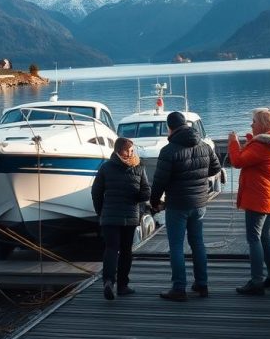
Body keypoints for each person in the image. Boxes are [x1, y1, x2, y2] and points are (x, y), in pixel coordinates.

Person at [150, 111, 222, 301]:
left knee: (176, 246)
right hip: (199, 202)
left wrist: (154, 201)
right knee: (197, 243)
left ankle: (179, 288)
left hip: (177, 204)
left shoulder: (169, 150)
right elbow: (215, 168)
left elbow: (159, 180)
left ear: (170, 128)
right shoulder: (204, 146)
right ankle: (202, 284)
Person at [227, 107, 270, 295]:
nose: (251, 124)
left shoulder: (262, 145)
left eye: (253, 121)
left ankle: (257, 281)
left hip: (258, 197)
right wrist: (250, 143)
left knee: (254, 238)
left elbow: (238, 161)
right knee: (264, 236)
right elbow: (257, 160)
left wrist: (233, 143)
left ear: (262, 125)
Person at [91, 137, 150, 300]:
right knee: (125, 251)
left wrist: (100, 211)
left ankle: (109, 281)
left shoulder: (106, 167)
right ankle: (122, 286)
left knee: (111, 249)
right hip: (129, 216)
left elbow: (96, 192)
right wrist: (138, 197)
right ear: (118, 151)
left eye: (132, 150)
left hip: (110, 217)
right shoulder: (139, 168)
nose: (130, 153)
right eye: (127, 150)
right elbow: (146, 192)